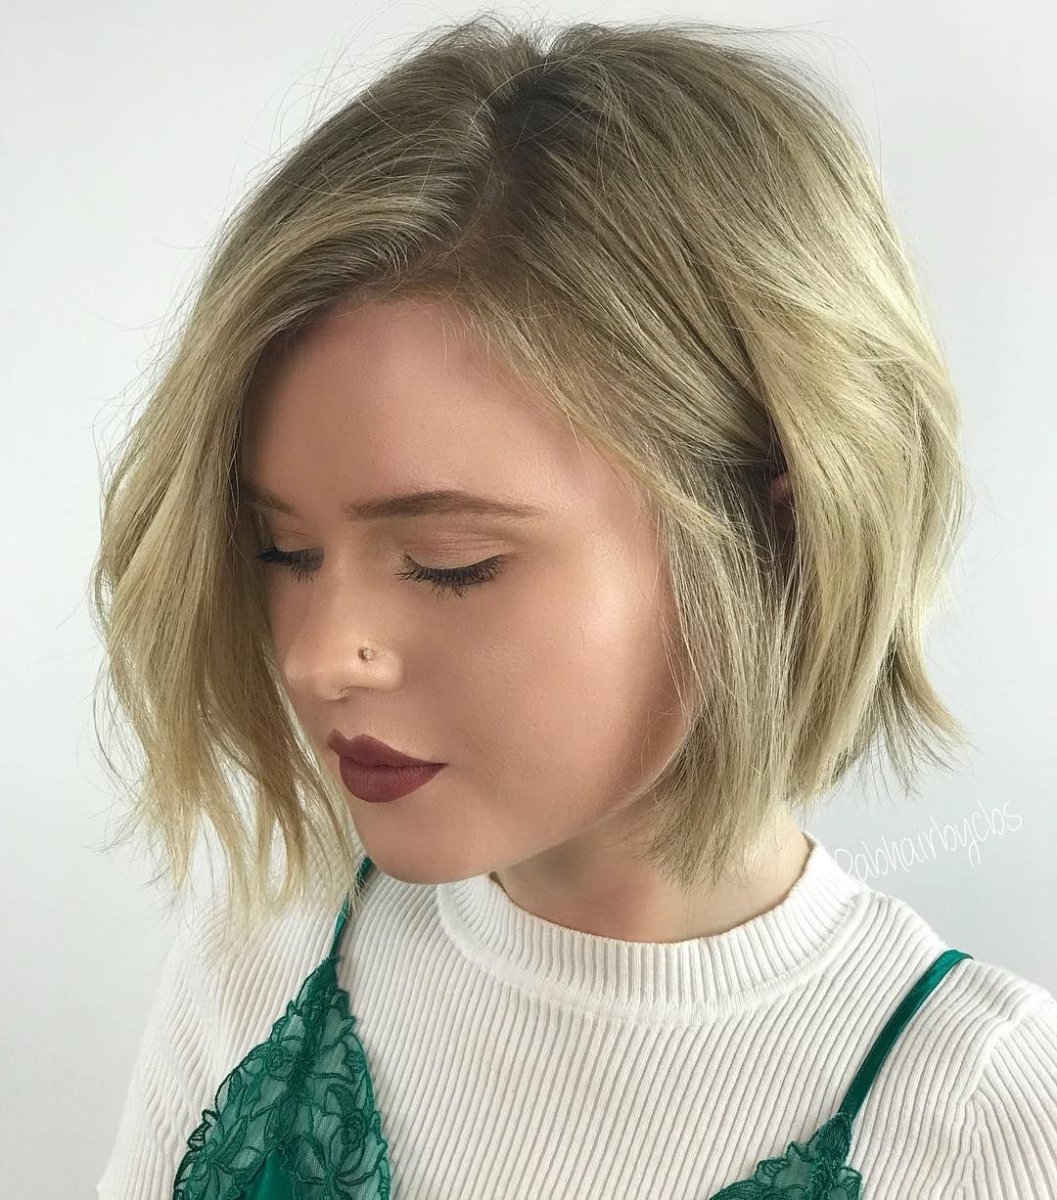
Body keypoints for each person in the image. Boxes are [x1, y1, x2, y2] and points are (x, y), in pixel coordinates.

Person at [93, 14, 1057, 1198]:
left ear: (777, 537)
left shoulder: (992, 1123)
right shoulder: (264, 953)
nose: (318, 658)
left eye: (448, 563)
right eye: (282, 549)